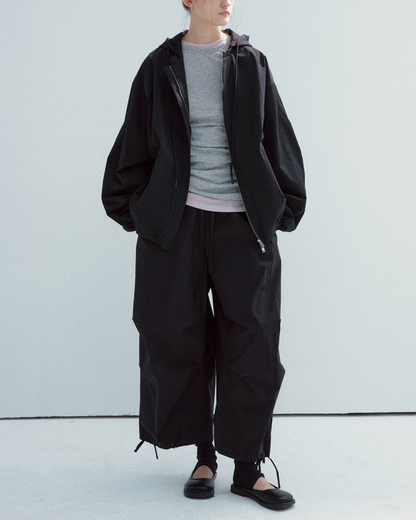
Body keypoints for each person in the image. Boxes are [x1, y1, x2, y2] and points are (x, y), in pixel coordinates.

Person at [102, 0, 306, 511]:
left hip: (244, 225)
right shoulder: (159, 66)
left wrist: (282, 205)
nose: (227, 1)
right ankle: (203, 458)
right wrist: (141, 212)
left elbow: (276, 136)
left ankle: (249, 469)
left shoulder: (250, 63)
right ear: (188, 1)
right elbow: (134, 143)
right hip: (178, 226)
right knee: (178, 338)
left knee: (254, 343)